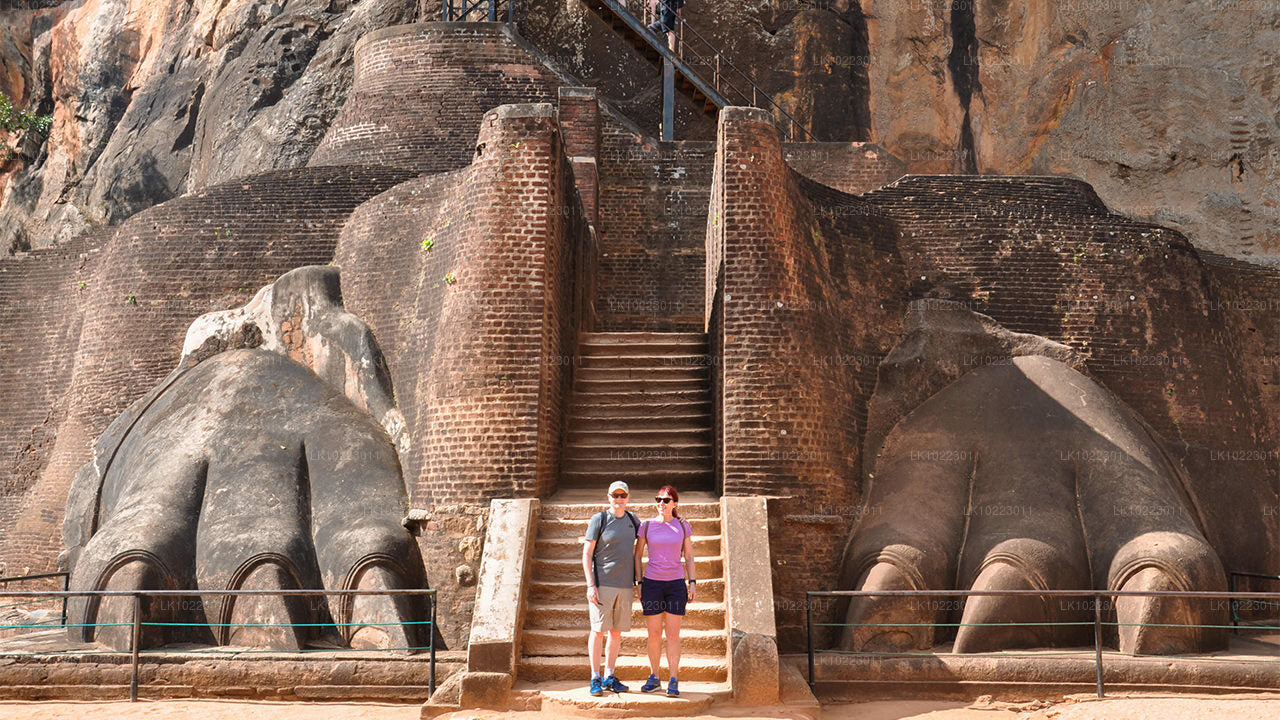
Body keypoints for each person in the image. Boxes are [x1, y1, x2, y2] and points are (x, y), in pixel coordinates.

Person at [634, 484, 696, 697]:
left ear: (674, 504)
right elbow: (637, 556)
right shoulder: (647, 525)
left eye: (666, 500)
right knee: (653, 634)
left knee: (672, 634)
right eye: (658, 499)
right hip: (652, 584)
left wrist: (693, 582)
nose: (661, 503)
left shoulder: (683, 525)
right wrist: (639, 583)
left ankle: (673, 679)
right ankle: (654, 677)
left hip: (675, 585)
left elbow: (688, 556)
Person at [583, 480, 641, 697]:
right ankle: (595, 677)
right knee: (598, 631)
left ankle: (609, 675)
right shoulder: (599, 519)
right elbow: (587, 553)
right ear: (608, 497)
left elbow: (643, 544)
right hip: (602, 584)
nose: (619, 499)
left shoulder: (632, 520)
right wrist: (590, 584)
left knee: (616, 633)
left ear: (627, 497)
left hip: (625, 585)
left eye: (622, 496)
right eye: (615, 496)